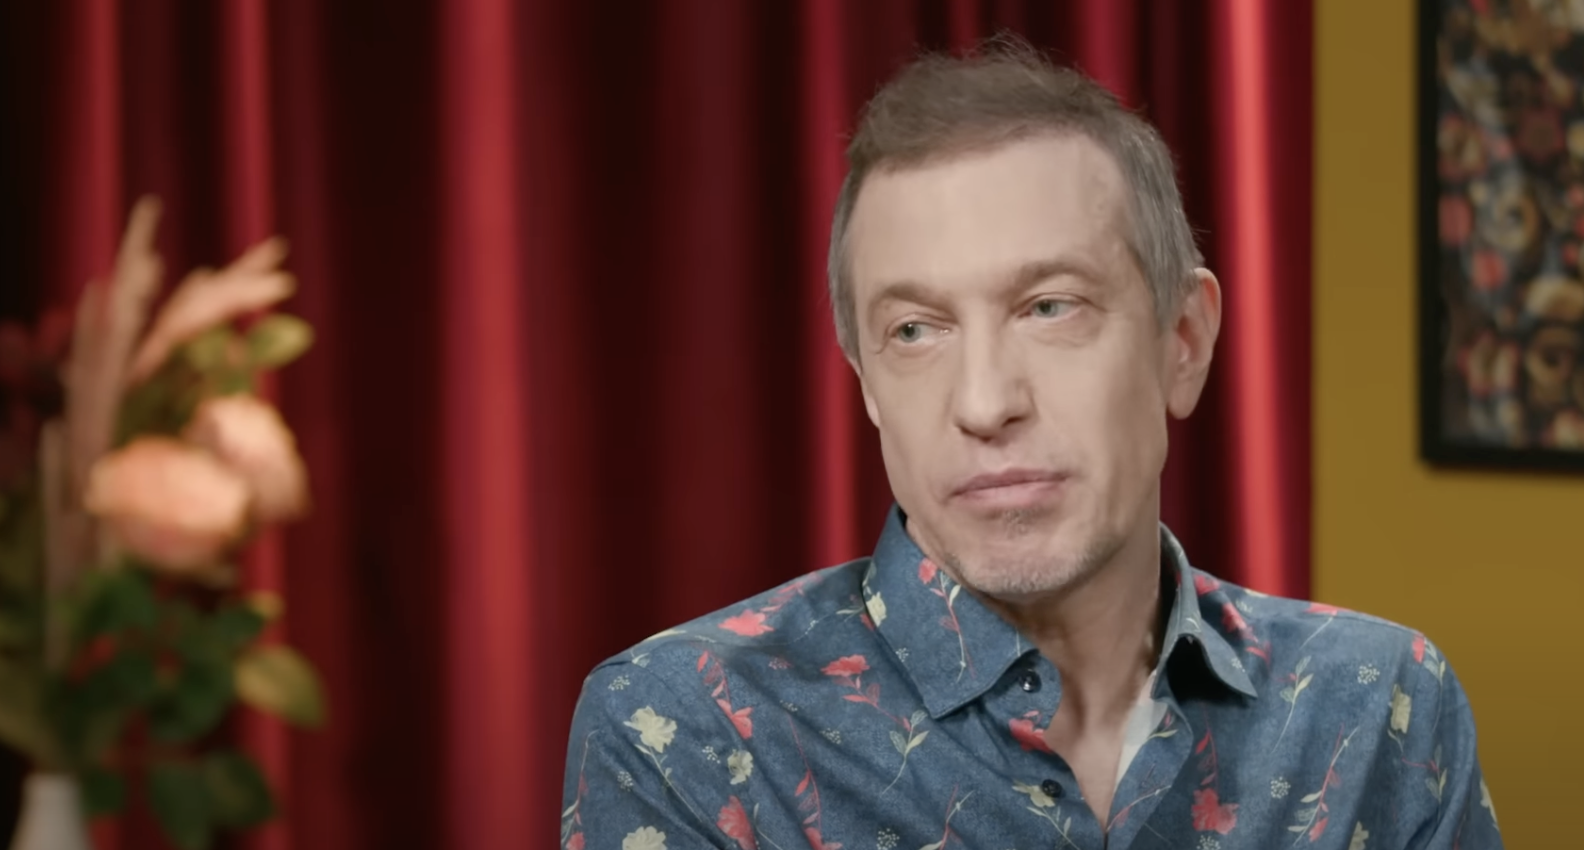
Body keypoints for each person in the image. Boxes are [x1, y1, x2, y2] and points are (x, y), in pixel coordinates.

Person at [560, 41, 1501, 850]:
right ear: (867, 383)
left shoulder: (1379, 704)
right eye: (915, 330)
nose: (983, 403)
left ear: (1183, 343)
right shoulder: (688, 728)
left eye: (1050, 308)